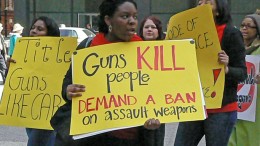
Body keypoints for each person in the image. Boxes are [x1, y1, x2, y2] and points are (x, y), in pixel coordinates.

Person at [51, 0, 161, 146]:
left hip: (131, 139)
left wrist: (153, 120)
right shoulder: (88, 48)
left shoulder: (144, 52)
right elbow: (68, 81)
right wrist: (68, 90)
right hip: (91, 137)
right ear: (108, 19)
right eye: (125, 16)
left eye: (135, 17)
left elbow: (154, 92)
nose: (132, 22)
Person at [174, 0, 247, 146]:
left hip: (221, 110)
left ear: (218, 10)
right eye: (199, 2)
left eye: (208, 2)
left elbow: (242, 73)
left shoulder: (231, 34)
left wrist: (226, 69)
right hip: (194, 106)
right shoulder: (189, 34)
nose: (201, 5)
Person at [8, 16, 60, 146]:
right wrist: (13, 69)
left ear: (50, 34)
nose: (34, 31)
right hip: (30, 112)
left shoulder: (60, 57)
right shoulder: (23, 54)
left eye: (40, 29)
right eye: (33, 28)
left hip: (49, 113)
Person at [228, 9, 260, 146]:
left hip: (255, 103)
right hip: (235, 99)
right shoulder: (233, 48)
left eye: (249, 26)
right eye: (242, 25)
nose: (244, 28)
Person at [138, 15, 165, 146]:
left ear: (159, 30)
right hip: (138, 102)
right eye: (146, 27)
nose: (149, 29)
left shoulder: (168, 50)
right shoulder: (132, 49)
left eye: (153, 27)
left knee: (157, 139)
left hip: (160, 102)